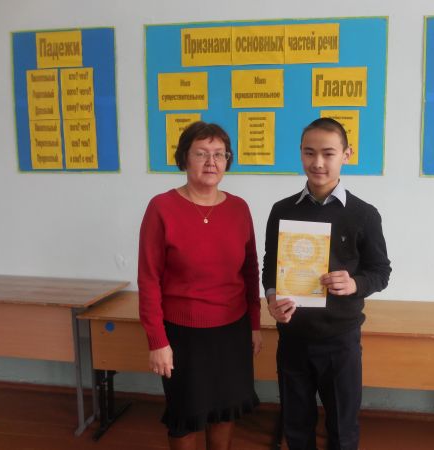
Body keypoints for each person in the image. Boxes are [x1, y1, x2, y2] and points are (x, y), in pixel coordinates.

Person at [262, 118, 391, 450]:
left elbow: (381, 271)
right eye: (309, 153)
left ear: (346, 155)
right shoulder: (282, 210)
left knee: (342, 428)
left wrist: (354, 284)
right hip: (293, 337)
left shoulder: (364, 214)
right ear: (300, 154)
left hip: (340, 340)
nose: (318, 162)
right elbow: (269, 266)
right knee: (296, 425)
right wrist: (272, 298)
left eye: (328, 153)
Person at [138, 121, 261, 450]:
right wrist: (157, 340)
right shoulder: (162, 208)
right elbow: (148, 279)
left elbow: (250, 271)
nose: (211, 162)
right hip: (183, 333)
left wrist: (254, 325)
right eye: (201, 153)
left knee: (225, 410)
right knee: (185, 414)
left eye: (219, 154)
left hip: (232, 329)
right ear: (183, 158)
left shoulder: (239, 208)